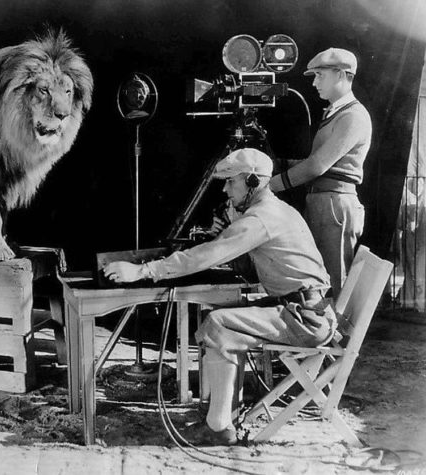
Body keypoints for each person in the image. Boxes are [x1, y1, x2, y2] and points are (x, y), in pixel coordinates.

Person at [104, 148, 336, 446]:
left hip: (305, 320)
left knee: (220, 322)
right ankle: (222, 414)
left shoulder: (261, 219)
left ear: (252, 182)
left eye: (230, 182)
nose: (225, 190)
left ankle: (218, 426)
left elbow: (208, 255)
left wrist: (143, 270)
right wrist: (226, 230)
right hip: (302, 310)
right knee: (222, 318)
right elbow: (247, 262)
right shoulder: (269, 212)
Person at [269, 47, 372, 296]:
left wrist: (270, 185)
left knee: (334, 283)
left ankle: (336, 334)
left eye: (319, 76)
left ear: (340, 74)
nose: (314, 83)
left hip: (334, 205)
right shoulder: (335, 113)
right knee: (320, 279)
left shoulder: (353, 116)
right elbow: (316, 164)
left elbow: (317, 166)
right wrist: (279, 164)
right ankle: (325, 331)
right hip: (321, 202)